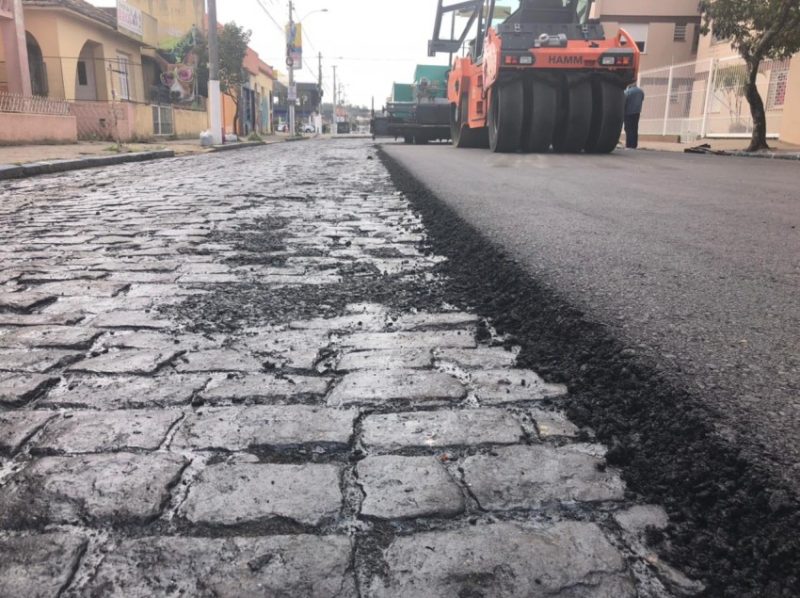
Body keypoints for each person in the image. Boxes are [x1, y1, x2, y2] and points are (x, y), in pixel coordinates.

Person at [624, 82, 645, 149]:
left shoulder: (628, 92)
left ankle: (628, 144)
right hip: (637, 112)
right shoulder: (641, 91)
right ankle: (634, 145)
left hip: (628, 112)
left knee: (628, 129)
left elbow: (624, 101)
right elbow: (642, 99)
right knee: (635, 128)